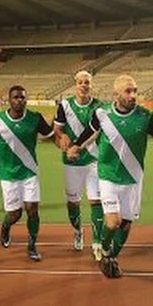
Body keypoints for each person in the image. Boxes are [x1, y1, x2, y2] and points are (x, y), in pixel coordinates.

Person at [66, 75, 153, 278]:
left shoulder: (146, 117)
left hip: (133, 179)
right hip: (108, 175)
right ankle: (103, 250)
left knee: (126, 224)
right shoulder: (102, 114)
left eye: (135, 91)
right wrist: (75, 146)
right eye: (128, 91)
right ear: (117, 94)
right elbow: (89, 132)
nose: (133, 95)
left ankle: (111, 256)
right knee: (112, 222)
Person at [0, 85, 61, 262]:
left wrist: (66, 148)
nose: (19, 100)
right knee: (15, 214)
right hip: (8, 173)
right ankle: (6, 225)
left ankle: (32, 246)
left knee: (32, 209)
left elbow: (52, 135)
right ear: (9, 100)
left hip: (29, 171)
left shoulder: (35, 118)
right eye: (16, 97)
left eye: (23, 97)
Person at [52, 70, 102, 256]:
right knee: (73, 202)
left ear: (91, 85)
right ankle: (78, 231)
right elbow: (57, 130)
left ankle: (97, 241)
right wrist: (62, 137)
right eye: (80, 82)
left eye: (87, 82)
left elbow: (97, 132)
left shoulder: (99, 106)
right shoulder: (64, 105)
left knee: (96, 200)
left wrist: (79, 147)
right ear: (75, 84)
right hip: (71, 162)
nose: (84, 85)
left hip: (94, 159)